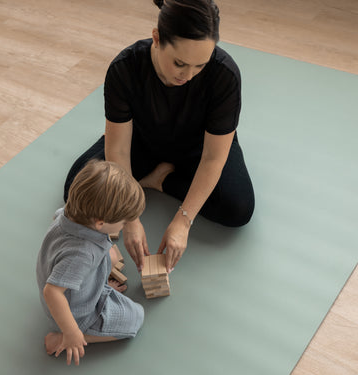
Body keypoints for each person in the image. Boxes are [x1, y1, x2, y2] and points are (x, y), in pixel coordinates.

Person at [64, 0, 255, 274]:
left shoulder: (225, 74)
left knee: (239, 208)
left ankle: (161, 180)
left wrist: (183, 220)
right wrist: (130, 217)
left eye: (200, 65)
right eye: (180, 63)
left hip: (199, 149)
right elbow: (117, 148)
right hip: (142, 142)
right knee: (76, 186)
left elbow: (214, 157)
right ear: (156, 38)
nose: (188, 75)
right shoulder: (125, 67)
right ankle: (152, 177)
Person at [37, 160, 145, 366]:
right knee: (136, 318)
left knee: (111, 254)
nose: (124, 226)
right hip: (76, 314)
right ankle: (60, 340)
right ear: (100, 223)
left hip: (69, 279)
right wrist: (71, 332)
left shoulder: (68, 213)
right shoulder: (81, 254)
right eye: (123, 222)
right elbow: (52, 292)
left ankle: (98, 288)